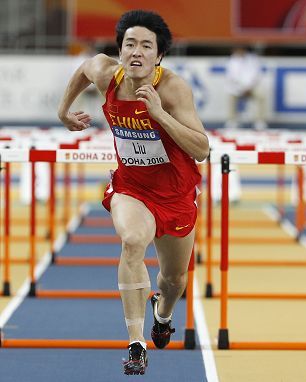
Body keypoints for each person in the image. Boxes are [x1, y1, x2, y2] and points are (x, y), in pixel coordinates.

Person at [58, 10, 209, 375]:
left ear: (158, 56)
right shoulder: (106, 72)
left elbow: (202, 149)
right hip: (132, 186)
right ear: (120, 50)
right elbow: (84, 69)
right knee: (132, 241)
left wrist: (159, 114)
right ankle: (136, 343)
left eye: (146, 46)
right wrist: (64, 112)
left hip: (175, 192)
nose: (136, 52)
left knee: (174, 280)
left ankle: (164, 313)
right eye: (129, 44)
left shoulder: (172, 89)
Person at [225, 45, 267, 130]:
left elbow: (257, 75)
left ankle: (259, 121)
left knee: (262, 95)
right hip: (237, 88)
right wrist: (241, 88)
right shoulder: (232, 60)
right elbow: (231, 77)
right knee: (231, 95)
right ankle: (232, 120)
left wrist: (249, 87)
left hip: (251, 87)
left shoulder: (253, 59)